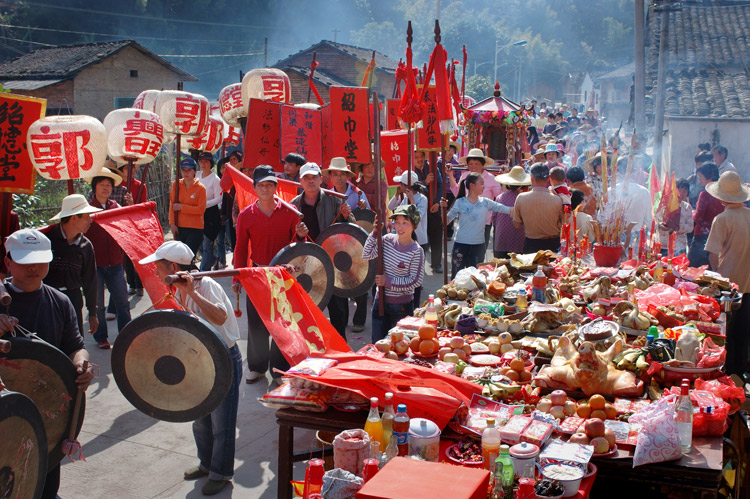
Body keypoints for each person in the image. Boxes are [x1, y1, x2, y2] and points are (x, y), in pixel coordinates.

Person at [141, 241, 241, 496]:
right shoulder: (174, 290)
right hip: (200, 362)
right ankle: (206, 464)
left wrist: (193, 293)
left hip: (224, 359)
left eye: (158, 267)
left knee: (222, 422)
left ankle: (221, 473)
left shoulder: (205, 284)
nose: (155, 272)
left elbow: (220, 317)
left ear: (173, 267)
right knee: (200, 419)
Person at [0, 228, 94, 499]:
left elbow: (76, 346)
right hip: (4, 414)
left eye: (39, 260)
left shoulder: (61, 301)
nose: (34, 267)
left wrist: (81, 364)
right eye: (25, 261)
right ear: (8, 263)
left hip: (47, 412)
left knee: (46, 479)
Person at [233, 165, 308, 384]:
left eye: (269, 184)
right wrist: (238, 277)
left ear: (275, 187)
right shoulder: (246, 215)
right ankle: (256, 367)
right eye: (261, 185)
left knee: (282, 322)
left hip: (283, 275)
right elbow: (239, 248)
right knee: (256, 323)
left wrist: (302, 235)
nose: (265, 189)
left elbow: (299, 244)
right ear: (254, 188)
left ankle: (279, 369)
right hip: (256, 274)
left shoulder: (290, 212)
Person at [290, 162, 354, 339]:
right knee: (307, 313)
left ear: (321, 179)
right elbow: (288, 242)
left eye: (314, 177)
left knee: (338, 311)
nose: (311, 181)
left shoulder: (335, 201)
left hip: (332, 262)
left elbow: (352, 233)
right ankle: (311, 351)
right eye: (306, 178)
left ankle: (341, 348)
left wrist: (346, 216)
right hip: (306, 267)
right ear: (300, 181)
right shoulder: (293, 206)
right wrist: (298, 235)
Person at [704, 171, 750, 377]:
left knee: (726, 336)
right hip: (748, 286)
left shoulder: (721, 219)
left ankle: (728, 378)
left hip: (729, 289)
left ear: (722, 197)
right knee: (743, 335)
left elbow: (713, 255)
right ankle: (740, 376)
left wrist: (716, 278)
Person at [86, 167, 132, 349]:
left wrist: (129, 207)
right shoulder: (86, 209)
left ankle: (127, 334)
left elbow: (126, 226)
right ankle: (101, 338)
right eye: (101, 185)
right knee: (97, 305)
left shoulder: (116, 207)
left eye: (108, 185)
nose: (105, 188)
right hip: (94, 264)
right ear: (94, 188)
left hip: (115, 262)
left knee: (122, 301)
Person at [363, 205, 424, 342]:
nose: (400, 227)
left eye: (405, 223)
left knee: (398, 347)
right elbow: (366, 254)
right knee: (378, 345)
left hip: (401, 307)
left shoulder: (416, 251)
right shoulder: (387, 240)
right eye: (397, 222)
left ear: (414, 225)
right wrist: (374, 233)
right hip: (380, 302)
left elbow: (415, 281)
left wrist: (387, 281)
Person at [44, 194, 101, 337]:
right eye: (87, 216)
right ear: (74, 217)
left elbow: (90, 281)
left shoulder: (86, 246)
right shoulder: (47, 240)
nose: (91, 221)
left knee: (74, 340)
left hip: (73, 299)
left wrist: (92, 313)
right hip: (48, 298)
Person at [324, 157, 370, 332]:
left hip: (356, 244)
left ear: (347, 176)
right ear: (330, 177)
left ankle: (359, 319)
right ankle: (341, 320)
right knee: (339, 283)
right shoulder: (326, 195)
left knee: (360, 281)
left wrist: (364, 208)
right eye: (335, 174)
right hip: (336, 246)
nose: (339, 178)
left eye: (342, 174)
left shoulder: (358, 194)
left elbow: (368, 219)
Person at [441, 172, 512, 278]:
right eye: (481, 183)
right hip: (461, 244)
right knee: (456, 276)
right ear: (472, 185)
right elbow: (446, 221)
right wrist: (443, 209)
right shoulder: (460, 202)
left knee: (477, 277)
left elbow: (505, 209)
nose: (484, 186)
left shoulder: (486, 202)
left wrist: (521, 207)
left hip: (478, 245)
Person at [448, 148, 502, 257]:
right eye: (471, 164)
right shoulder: (465, 176)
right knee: (464, 253)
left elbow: (499, 196)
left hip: (484, 221)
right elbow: (457, 193)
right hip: (465, 220)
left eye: (476, 164)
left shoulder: (491, 179)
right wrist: (450, 175)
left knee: (479, 254)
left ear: (482, 165)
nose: (473, 166)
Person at [388, 172, 428, 306]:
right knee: (403, 275)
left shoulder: (422, 199)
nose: (399, 186)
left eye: (401, 184)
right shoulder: (403, 197)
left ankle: (415, 306)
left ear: (408, 186)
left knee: (415, 279)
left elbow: (418, 217)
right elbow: (390, 207)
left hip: (419, 240)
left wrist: (412, 200)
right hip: (403, 240)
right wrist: (397, 195)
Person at [513, 163, 565, 253]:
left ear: (531, 178)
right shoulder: (558, 200)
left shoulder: (521, 198)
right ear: (548, 179)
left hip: (531, 245)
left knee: (531, 267)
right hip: (553, 245)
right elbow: (563, 223)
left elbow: (517, 224)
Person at [413, 150, 443, 273]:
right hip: (419, 210)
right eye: (416, 157)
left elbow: (440, 184)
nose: (419, 159)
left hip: (433, 208)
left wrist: (437, 202)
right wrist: (424, 182)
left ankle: (436, 264)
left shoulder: (432, 168)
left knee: (436, 237)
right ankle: (419, 269)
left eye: (421, 156)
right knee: (419, 240)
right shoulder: (411, 170)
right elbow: (411, 187)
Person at [169, 157, 207, 255]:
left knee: (188, 257)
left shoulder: (201, 188)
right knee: (180, 257)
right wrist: (172, 223)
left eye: (189, 170)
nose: (186, 173)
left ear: (194, 171)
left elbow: (200, 209)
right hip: (180, 227)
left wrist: (182, 207)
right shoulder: (176, 185)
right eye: (183, 170)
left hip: (195, 228)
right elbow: (172, 205)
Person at [689, 163, 724, 268]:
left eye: (701, 176)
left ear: (709, 177)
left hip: (702, 238)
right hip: (718, 237)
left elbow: (698, 217)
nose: (699, 179)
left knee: (694, 270)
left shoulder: (705, 194)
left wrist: (692, 213)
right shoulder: (722, 194)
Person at [492, 166, 530, 258]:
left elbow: (494, 218)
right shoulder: (524, 199)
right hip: (519, 239)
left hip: (502, 238)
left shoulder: (500, 197)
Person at [195, 152, 223, 272]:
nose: (203, 164)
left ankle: (203, 272)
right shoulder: (197, 176)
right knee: (198, 243)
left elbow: (218, 198)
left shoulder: (215, 179)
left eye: (206, 162)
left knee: (207, 244)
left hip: (210, 214)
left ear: (211, 164)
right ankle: (212, 259)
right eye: (201, 162)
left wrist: (204, 204)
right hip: (197, 213)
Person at [656, 178, 693, 256]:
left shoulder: (687, 207)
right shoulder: (664, 205)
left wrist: (678, 227)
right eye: (679, 190)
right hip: (663, 245)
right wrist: (660, 226)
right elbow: (655, 221)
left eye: (685, 191)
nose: (682, 193)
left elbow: (690, 227)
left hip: (679, 245)